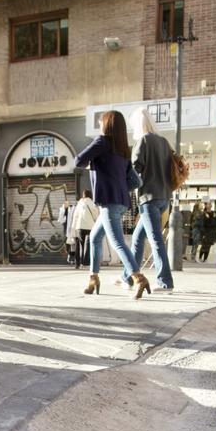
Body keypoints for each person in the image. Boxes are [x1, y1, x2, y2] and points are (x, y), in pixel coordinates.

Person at [74, 110, 149, 298]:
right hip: (121, 201)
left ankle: (138, 277)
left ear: (107, 124)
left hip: (109, 201)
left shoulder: (102, 142)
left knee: (117, 242)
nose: (99, 123)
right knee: (94, 237)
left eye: (101, 121)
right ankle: (93, 278)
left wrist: (94, 164)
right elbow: (134, 181)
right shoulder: (124, 150)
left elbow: (78, 160)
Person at [128, 109, 175, 292]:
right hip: (164, 198)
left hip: (148, 198)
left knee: (155, 241)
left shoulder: (143, 141)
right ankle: (128, 277)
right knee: (138, 238)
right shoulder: (164, 142)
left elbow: (133, 170)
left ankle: (165, 282)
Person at [71, 190, 98, 269]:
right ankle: (86, 263)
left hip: (80, 226)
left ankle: (78, 263)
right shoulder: (92, 203)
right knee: (89, 245)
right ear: (90, 195)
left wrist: (73, 228)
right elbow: (96, 216)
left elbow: (75, 216)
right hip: (90, 227)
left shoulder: (79, 203)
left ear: (83, 195)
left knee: (80, 245)